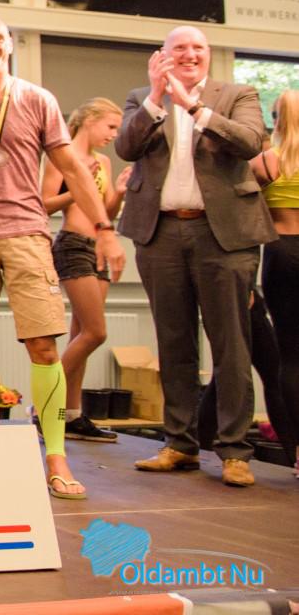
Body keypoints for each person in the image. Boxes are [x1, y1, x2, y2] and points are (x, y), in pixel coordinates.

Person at [0, 16, 115, 500]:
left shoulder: (37, 99)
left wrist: (105, 229)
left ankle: (55, 455)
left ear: (10, 46)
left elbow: (71, 165)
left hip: (27, 233)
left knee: (45, 347)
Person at [117, 26, 275, 489]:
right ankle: (180, 444)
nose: (190, 54)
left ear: (208, 55)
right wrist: (157, 98)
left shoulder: (238, 94)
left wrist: (193, 108)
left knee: (231, 344)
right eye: (180, 48)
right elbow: (125, 147)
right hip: (160, 232)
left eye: (198, 48)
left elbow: (250, 142)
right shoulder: (142, 98)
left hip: (224, 233)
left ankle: (234, 451)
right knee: (174, 342)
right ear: (162, 56)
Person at [40, 97, 129, 443]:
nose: (113, 134)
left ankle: (71, 414)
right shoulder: (61, 157)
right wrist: (77, 188)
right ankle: (45, 402)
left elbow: (105, 211)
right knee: (95, 332)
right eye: (110, 126)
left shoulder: (103, 162)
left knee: (82, 333)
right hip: (73, 245)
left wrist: (117, 193)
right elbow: (44, 204)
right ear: (89, 120)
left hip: (99, 248)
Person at [250, 89, 299, 478]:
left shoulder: (266, 162)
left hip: (281, 253)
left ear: (278, 120)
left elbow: (242, 215)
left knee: (290, 357)